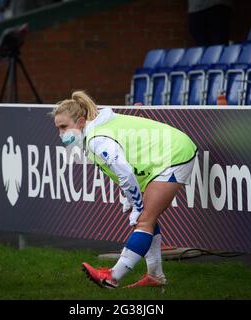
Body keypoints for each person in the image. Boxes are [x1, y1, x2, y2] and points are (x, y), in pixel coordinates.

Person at [51, 91, 198, 288]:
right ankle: (155, 276)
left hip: (175, 155)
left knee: (144, 218)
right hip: (158, 161)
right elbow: (125, 168)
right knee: (145, 218)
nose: (61, 133)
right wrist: (131, 199)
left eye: (63, 127)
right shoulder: (93, 132)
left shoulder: (96, 139)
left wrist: (137, 204)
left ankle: (112, 277)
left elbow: (126, 173)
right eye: (58, 128)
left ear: (80, 121)